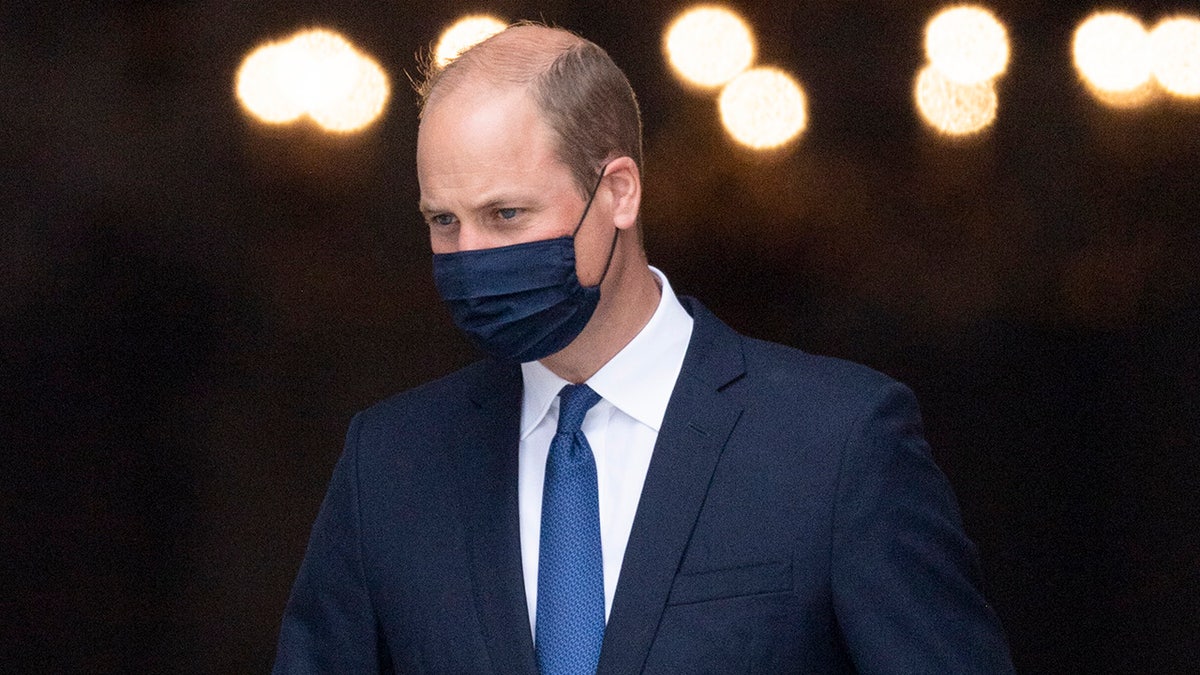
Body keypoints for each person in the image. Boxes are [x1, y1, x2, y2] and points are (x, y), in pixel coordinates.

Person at [273, 22, 1014, 673]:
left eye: (506, 213)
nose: (471, 255)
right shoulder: (392, 464)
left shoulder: (836, 444)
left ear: (619, 192)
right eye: (443, 222)